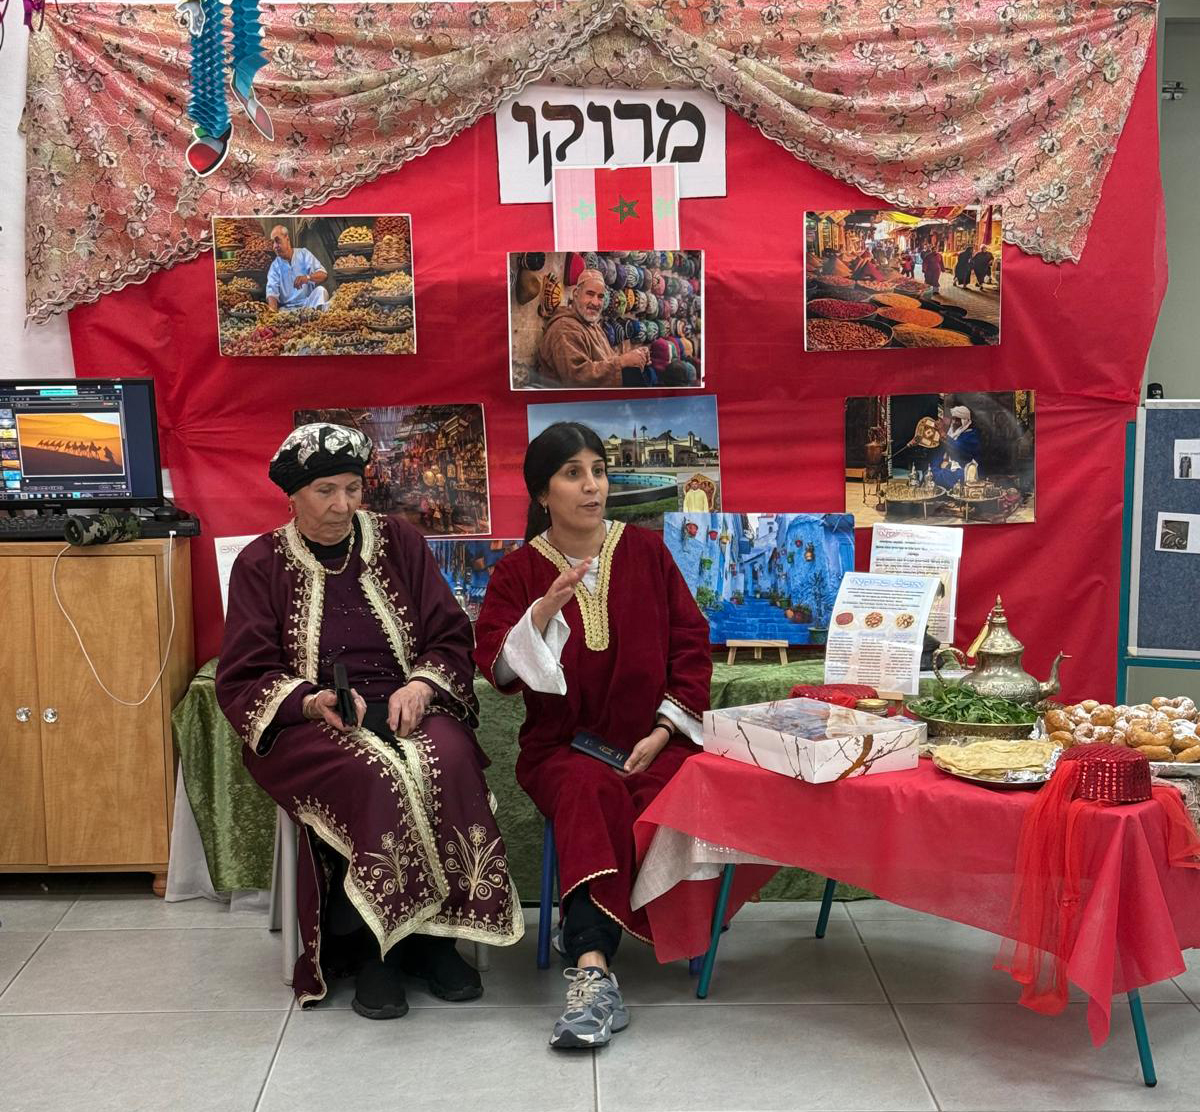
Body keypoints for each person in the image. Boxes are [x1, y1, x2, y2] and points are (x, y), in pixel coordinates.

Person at [216, 423, 523, 1016]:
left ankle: (435, 942)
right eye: (325, 491)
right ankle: (378, 948)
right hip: (311, 722)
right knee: (378, 775)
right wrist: (312, 701)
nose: (343, 505)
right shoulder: (260, 563)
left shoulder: (398, 540)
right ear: (293, 496)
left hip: (408, 700)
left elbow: (449, 633)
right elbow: (245, 673)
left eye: (353, 489)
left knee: (447, 759)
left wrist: (422, 685)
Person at [473, 422, 712, 1050]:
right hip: (563, 748)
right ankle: (592, 970)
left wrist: (664, 729)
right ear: (542, 492)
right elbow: (497, 667)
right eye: (573, 474)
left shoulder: (648, 553)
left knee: (690, 787)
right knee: (589, 792)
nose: (592, 486)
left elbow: (691, 645)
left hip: (653, 741)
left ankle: (629, 928)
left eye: (598, 471)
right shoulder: (518, 572)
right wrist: (542, 611)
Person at [535, 270, 650, 387]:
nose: (595, 302)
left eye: (600, 297)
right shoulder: (564, 328)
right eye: (590, 294)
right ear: (576, 294)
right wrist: (622, 362)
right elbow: (577, 378)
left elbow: (607, 359)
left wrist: (635, 356)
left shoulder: (593, 326)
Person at [265, 225, 330, 311]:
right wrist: (272, 314)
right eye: (273, 243)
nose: (275, 246)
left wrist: (307, 278)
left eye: (277, 241)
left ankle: (317, 316)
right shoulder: (274, 266)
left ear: (287, 239)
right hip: (287, 310)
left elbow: (323, 275)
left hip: (308, 305)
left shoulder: (303, 254)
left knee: (321, 291)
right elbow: (272, 293)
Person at [931, 405, 982, 488]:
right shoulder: (951, 433)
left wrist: (944, 435)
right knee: (930, 473)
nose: (954, 422)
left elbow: (960, 450)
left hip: (961, 470)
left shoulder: (972, 435)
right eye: (953, 419)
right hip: (945, 467)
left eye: (957, 420)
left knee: (945, 477)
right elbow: (941, 452)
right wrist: (934, 468)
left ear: (965, 421)